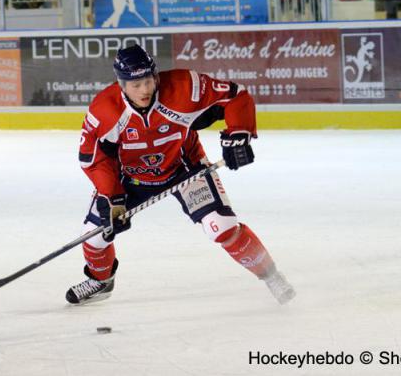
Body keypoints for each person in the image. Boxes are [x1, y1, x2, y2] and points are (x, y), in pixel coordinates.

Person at [67, 44, 296, 306]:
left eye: (148, 81)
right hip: (128, 178)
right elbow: (93, 159)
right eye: (135, 84)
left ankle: (270, 275)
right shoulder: (103, 110)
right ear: (121, 84)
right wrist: (113, 198)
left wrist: (238, 135)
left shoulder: (185, 87)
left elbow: (236, 96)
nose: (144, 90)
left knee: (221, 227)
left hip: (184, 168)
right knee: (95, 235)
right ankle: (100, 281)